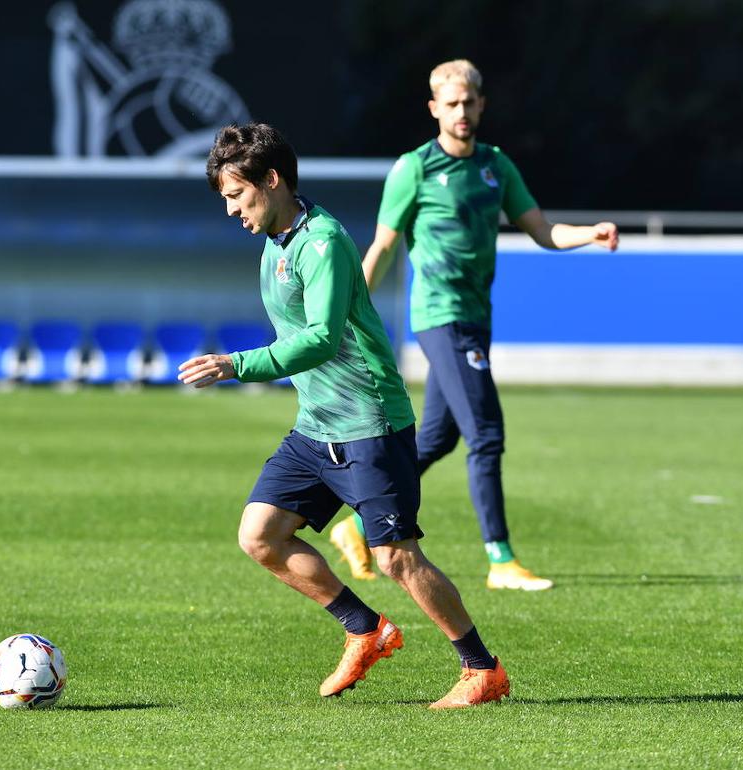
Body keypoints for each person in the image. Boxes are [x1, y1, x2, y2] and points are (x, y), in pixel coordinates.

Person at [178, 122, 509, 708]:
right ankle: (366, 629)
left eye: (236, 194)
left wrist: (237, 364)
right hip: (317, 427)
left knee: (395, 557)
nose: (230, 210)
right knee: (260, 536)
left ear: (271, 180)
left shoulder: (323, 242)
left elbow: (324, 338)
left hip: (369, 424)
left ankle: (482, 670)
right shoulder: (275, 242)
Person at [328, 59, 619, 590]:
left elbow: (543, 231)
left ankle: (353, 525)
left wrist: (591, 234)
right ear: (435, 108)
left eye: (470, 103)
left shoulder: (496, 166)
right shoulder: (414, 168)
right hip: (441, 317)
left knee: (437, 438)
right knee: (486, 433)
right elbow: (383, 247)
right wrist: (346, 318)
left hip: (475, 318)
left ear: (481, 105)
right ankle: (501, 559)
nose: (461, 112)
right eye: (451, 104)